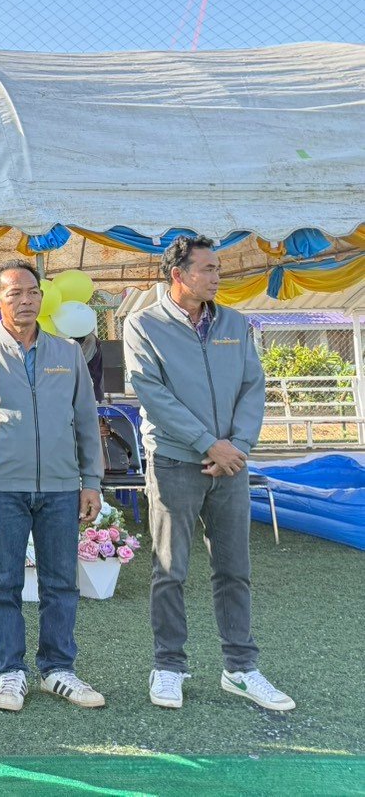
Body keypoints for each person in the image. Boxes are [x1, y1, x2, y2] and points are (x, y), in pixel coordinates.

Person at [124, 236, 292, 712]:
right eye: (209, 269)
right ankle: (168, 666)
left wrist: (237, 447)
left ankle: (240, 668)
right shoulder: (143, 325)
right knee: (170, 569)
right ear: (179, 275)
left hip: (231, 463)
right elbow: (151, 393)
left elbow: (253, 386)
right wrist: (207, 443)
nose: (218, 277)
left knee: (234, 569)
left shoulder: (235, 323)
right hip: (175, 461)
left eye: (218, 268)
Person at [0, 260, 106, 713]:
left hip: (61, 487)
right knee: (4, 584)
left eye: (32, 291)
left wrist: (91, 481)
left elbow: (85, 421)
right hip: (0, 489)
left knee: (61, 584)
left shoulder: (68, 353)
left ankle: (57, 669)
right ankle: (10, 671)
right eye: (14, 293)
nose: (26, 300)